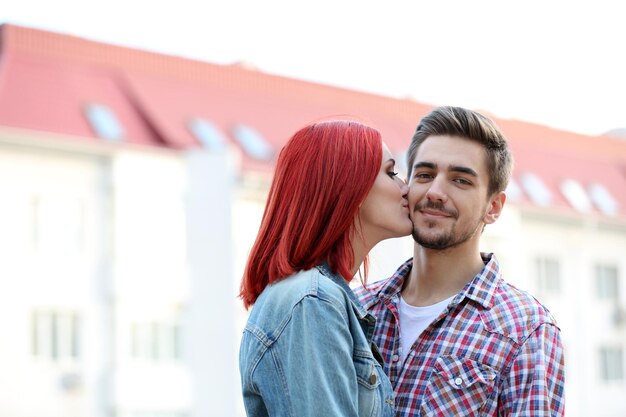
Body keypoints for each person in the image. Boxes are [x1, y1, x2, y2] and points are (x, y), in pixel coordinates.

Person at [355, 106, 565, 416]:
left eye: (461, 181)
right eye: (425, 175)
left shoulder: (526, 329)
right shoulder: (357, 309)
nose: (436, 192)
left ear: (493, 206)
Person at [238, 119, 413, 417]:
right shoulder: (313, 301)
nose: (405, 187)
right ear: (350, 187)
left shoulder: (316, 296)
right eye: (391, 172)